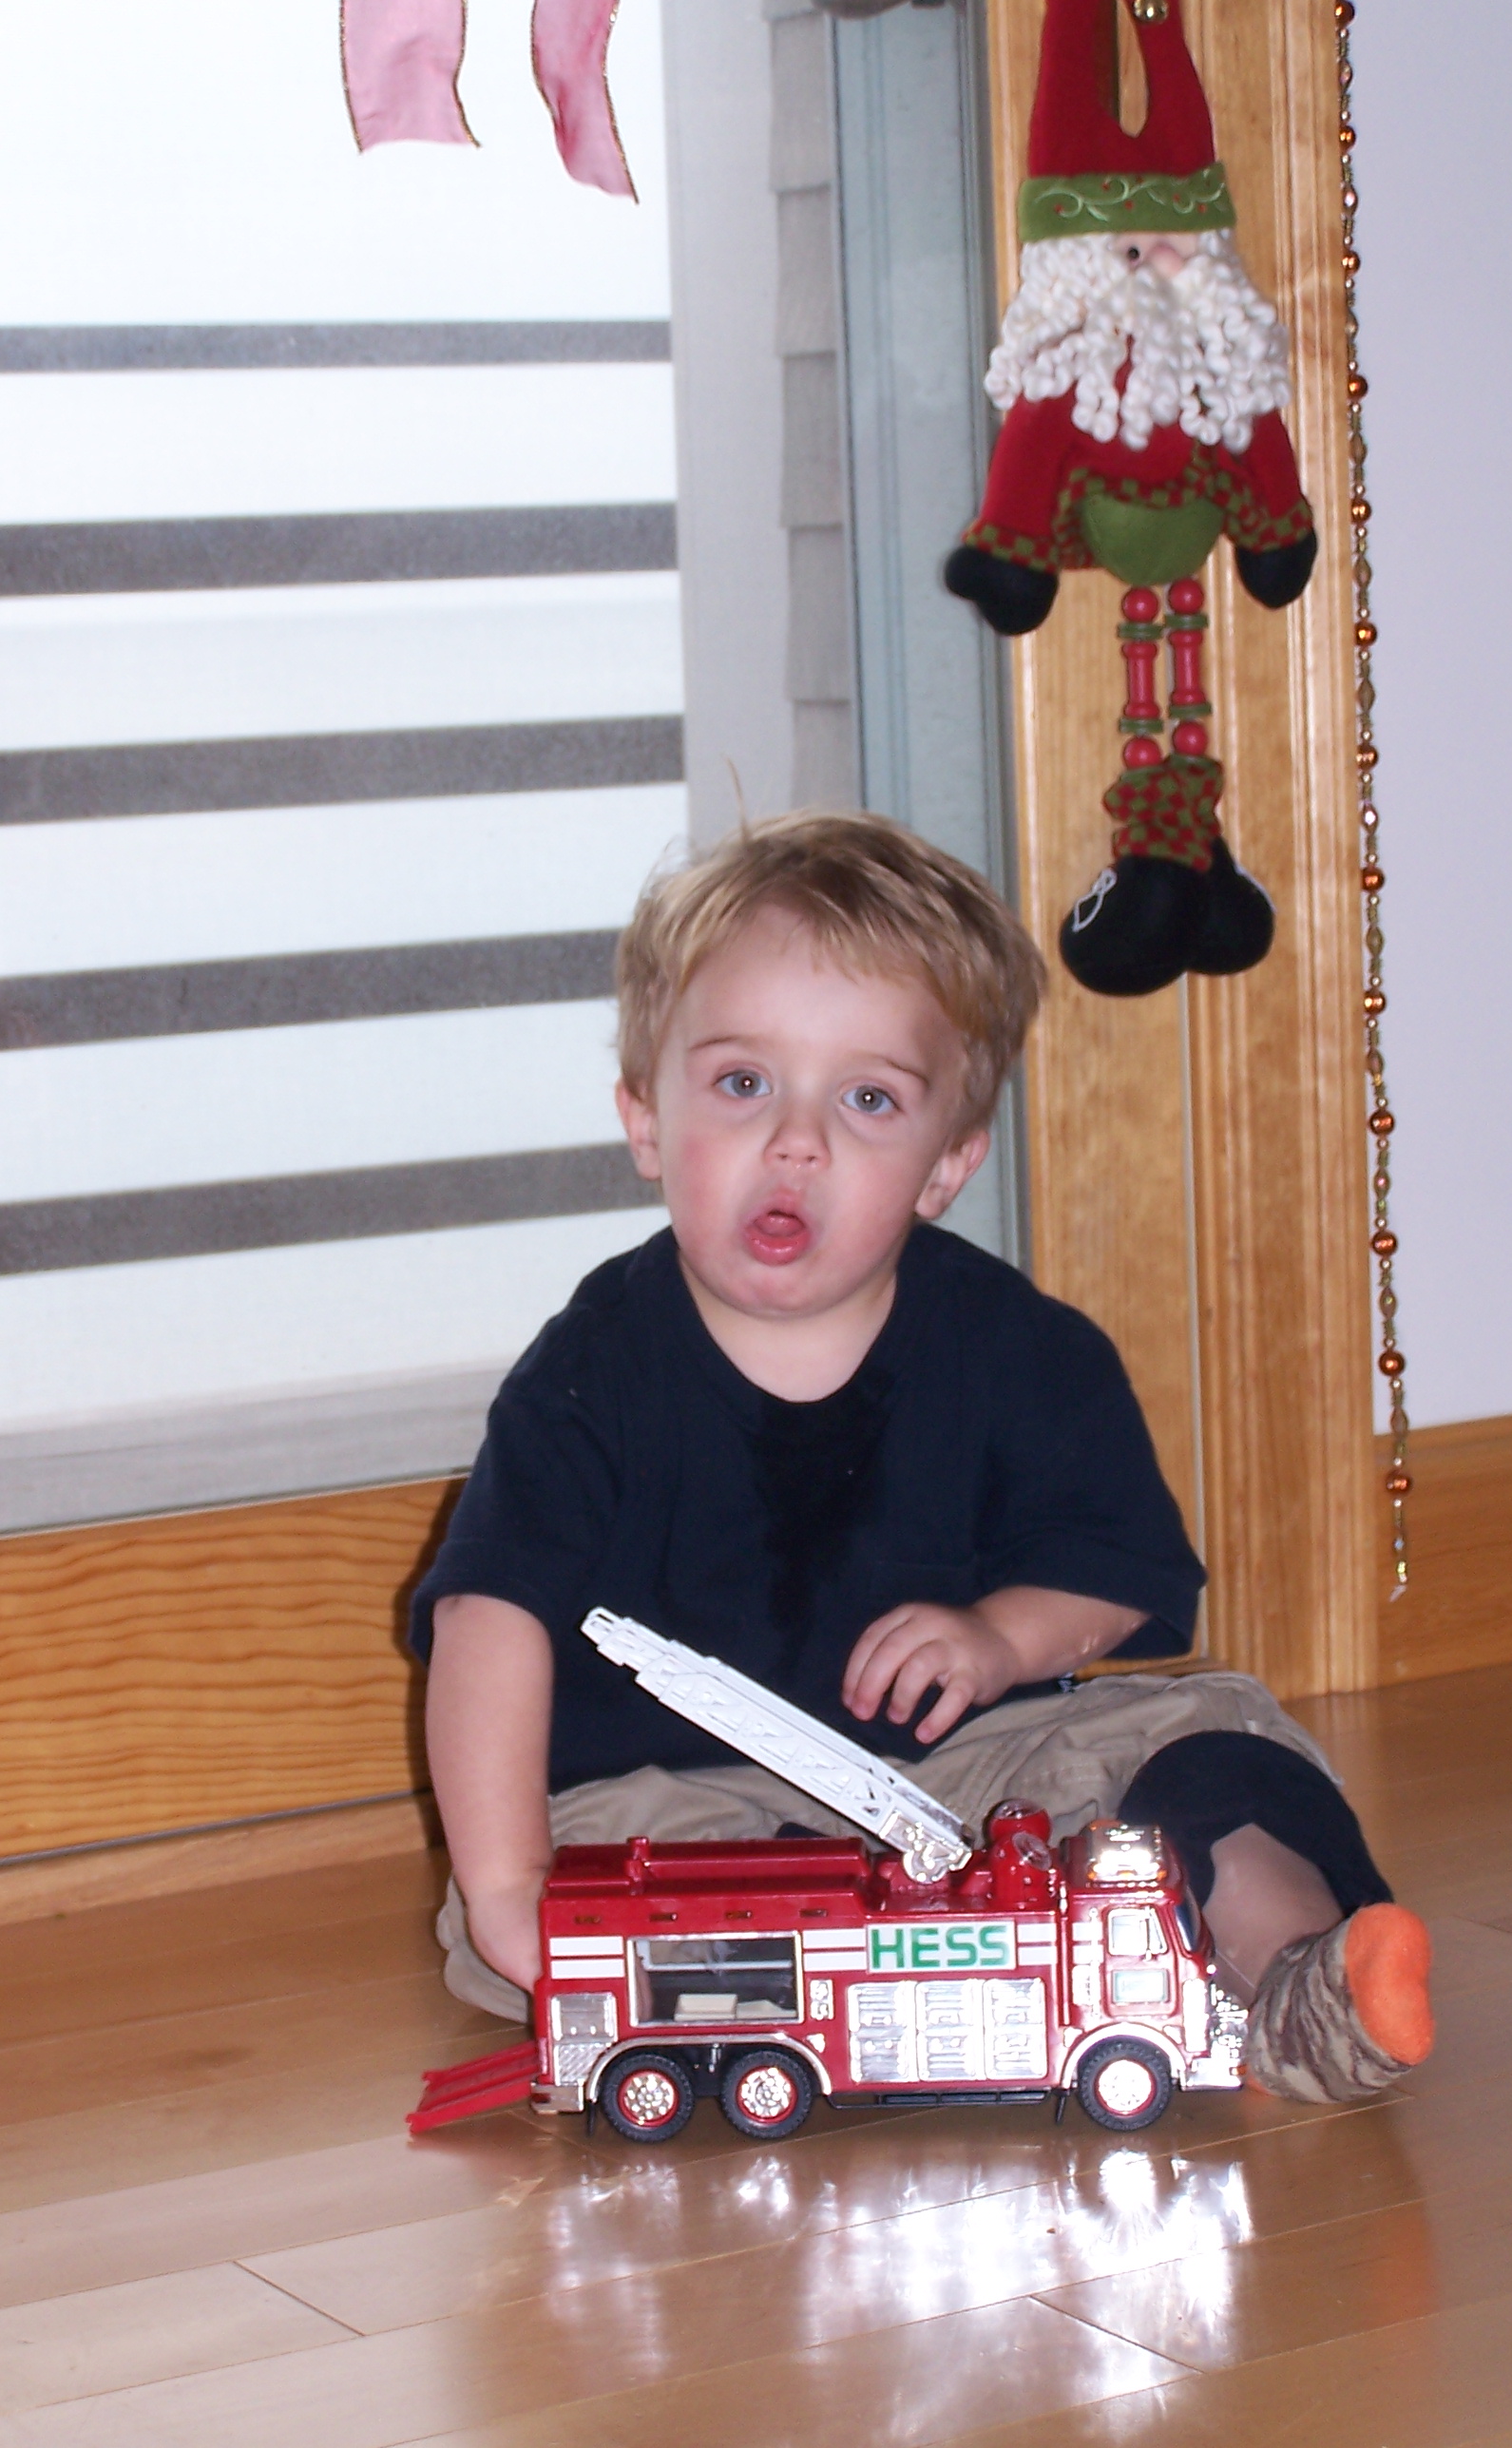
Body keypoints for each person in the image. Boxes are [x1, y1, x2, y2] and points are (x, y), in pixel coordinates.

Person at [411, 812, 1433, 2105]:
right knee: (583, 1886)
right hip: (686, 1810)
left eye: (869, 1100)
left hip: (978, 1782)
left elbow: (1119, 1572)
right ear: (646, 1120)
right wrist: (509, 1888)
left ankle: (1294, 1983)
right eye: (742, 1084)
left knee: (1215, 1732)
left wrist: (1001, 1637)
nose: (798, 1141)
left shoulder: (1025, 1350)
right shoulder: (587, 1375)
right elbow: (489, 1622)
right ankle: (829, 2002)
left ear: (947, 1165)